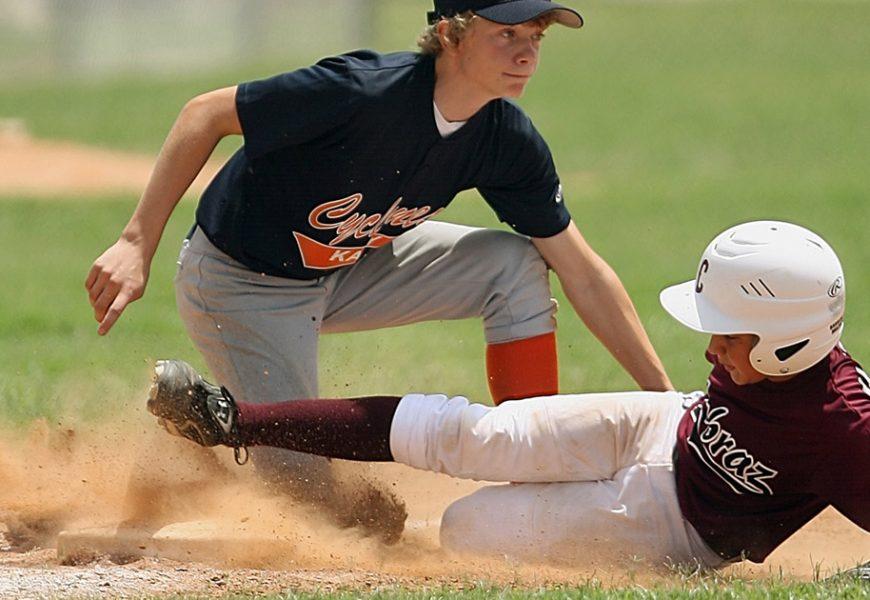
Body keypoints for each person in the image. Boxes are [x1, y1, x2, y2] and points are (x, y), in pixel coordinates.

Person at [85, 0, 673, 532]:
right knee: (315, 504)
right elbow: (203, 114)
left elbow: (584, 272)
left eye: (537, 37)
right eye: (507, 33)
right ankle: (194, 439)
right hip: (242, 283)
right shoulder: (362, 91)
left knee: (515, 262)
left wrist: (667, 404)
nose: (526, 52)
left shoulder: (504, 139)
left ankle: (534, 469)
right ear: (451, 34)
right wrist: (136, 242)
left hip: (349, 266)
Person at [147, 221, 868, 567]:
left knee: (469, 527)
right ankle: (230, 419)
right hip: (660, 425)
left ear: (788, 340)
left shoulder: (843, 429)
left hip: (677, 526)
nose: (711, 347)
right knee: (473, 433)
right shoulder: (766, 353)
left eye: (730, 335)